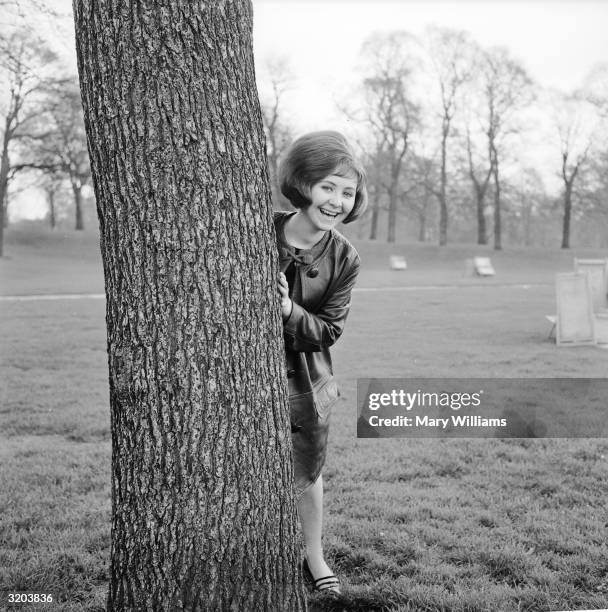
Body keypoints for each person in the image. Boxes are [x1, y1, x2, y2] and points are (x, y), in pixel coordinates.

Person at [274, 130, 367, 594]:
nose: (337, 201)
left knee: (308, 472)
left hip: (308, 381)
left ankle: (314, 555)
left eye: (347, 192)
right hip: (246, 376)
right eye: (328, 186)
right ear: (304, 183)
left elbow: (330, 329)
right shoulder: (259, 229)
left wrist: (290, 311)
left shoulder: (345, 257)